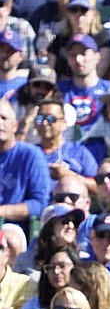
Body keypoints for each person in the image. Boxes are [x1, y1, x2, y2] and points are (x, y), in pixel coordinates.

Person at [0, 98, 50, 231]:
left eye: (4, 118)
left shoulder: (31, 154)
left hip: (13, 228)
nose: (0, 123)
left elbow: (40, 204)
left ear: (15, 126)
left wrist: (2, 211)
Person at [35, 98, 98, 192]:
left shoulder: (79, 152)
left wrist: (67, 174)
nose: (44, 123)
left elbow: (97, 188)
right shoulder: (30, 153)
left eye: (51, 119)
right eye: (40, 119)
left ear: (64, 123)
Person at [47, 0, 110, 80]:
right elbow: (49, 71)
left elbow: (99, 72)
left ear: (93, 13)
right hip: (63, 89)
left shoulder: (103, 37)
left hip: (93, 87)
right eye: (74, 10)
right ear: (68, 14)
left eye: (84, 10)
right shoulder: (59, 40)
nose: (78, 14)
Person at [56, 34, 110, 130]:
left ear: (97, 57)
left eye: (84, 53)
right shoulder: (58, 90)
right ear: (68, 60)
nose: (78, 59)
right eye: (73, 55)